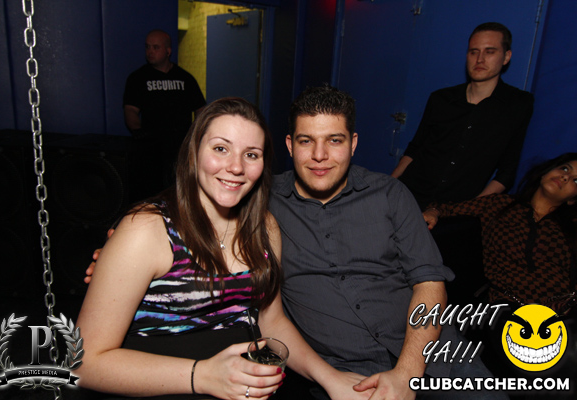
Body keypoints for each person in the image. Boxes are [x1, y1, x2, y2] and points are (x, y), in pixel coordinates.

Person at [87, 87, 503, 400]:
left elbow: (430, 284)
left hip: (431, 351)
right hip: (343, 368)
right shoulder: (262, 205)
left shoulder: (388, 195)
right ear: (289, 146)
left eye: (334, 140)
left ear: (353, 144)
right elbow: (185, 222)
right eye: (306, 141)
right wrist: (120, 261)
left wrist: (408, 374)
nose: (320, 155)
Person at [76, 97, 372, 400]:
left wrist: (330, 379)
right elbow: (83, 363)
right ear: (194, 153)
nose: (236, 167)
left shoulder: (264, 227)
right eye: (221, 148)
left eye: (251, 154)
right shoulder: (147, 230)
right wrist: (203, 376)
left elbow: (271, 321)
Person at [392, 22, 534, 210]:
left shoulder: (517, 104)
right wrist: (389, 186)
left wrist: (467, 210)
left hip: (457, 210)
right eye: (474, 52)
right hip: (408, 195)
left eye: (489, 52)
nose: (480, 59)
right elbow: (415, 148)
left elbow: (507, 172)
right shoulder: (441, 99)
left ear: (506, 57)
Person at [423, 153, 577, 312]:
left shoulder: (570, 229)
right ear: (545, 173)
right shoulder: (499, 204)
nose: (565, 177)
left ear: (572, 200)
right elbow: (446, 208)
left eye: (576, 180)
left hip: (562, 311)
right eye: (565, 168)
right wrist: (433, 211)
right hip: (509, 307)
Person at [124, 29, 207, 199]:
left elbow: (200, 109)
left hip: (180, 149)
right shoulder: (138, 78)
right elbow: (130, 110)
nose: (150, 51)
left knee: (179, 193)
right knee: (150, 193)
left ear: (168, 51)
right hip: (150, 149)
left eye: (156, 47)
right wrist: (138, 132)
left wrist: (195, 134)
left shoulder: (185, 78)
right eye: (147, 47)